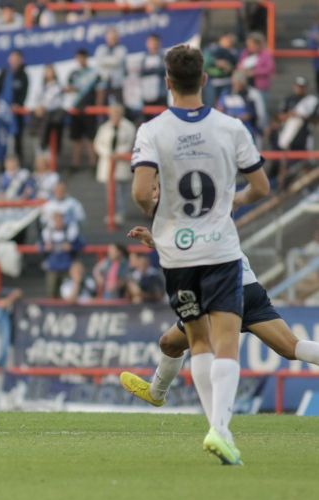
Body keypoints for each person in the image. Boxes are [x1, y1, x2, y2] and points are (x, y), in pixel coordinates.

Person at [130, 44, 270, 465]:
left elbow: (141, 192)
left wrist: (161, 215)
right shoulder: (231, 128)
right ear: (205, 80)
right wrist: (233, 202)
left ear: (168, 83)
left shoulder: (152, 131)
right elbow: (261, 188)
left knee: (198, 341)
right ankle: (220, 430)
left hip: (177, 255)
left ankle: (216, 428)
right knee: (228, 341)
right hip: (221, 249)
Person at [122, 229, 319, 416]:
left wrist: (156, 241)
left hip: (223, 293)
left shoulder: (195, 213)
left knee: (184, 344)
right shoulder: (214, 212)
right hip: (250, 289)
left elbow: (190, 247)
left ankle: (212, 419)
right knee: (290, 347)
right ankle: (158, 394)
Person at [93, 104, 136, 225]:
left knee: (121, 190)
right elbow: (98, 144)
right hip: (107, 162)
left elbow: (130, 143)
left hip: (122, 162)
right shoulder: (105, 127)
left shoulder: (128, 127)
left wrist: (118, 154)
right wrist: (108, 154)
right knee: (109, 190)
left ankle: (120, 213)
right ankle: (111, 212)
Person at [0, 50, 29, 163]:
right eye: (12, 59)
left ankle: (20, 163)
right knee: (3, 139)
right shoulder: (3, 73)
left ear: (21, 60)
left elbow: (24, 93)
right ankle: (2, 164)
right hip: (3, 113)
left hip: (16, 113)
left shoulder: (24, 76)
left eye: (16, 59)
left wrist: (18, 104)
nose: (13, 61)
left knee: (17, 139)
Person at [65, 49, 99, 170]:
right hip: (76, 108)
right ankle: (75, 164)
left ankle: (93, 164)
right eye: (78, 57)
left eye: (82, 57)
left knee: (91, 138)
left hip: (89, 109)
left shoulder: (94, 73)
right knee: (76, 138)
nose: (80, 60)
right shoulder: (73, 73)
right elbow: (68, 88)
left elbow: (99, 90)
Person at [216, 70, 267, 145]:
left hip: (247, 132)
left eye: (237, 83)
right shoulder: (226, 93)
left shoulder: (252, 94)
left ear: (243, 83)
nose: (234, 85)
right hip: (228, 132)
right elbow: (219, 109)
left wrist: (236, 118)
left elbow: (259, 114)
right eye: (233, 82)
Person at [41, 212, 80, 299]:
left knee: (66, 293)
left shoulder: (70, 232)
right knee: (51, 293)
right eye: (56, 219)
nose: (58, 222)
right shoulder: (47, 233)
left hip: (67, 267)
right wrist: (45, 248)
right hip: (53, 267)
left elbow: (80, 244)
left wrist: (72, 247)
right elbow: (39, 246)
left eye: (60, 219)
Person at [33, 65, 65, 155]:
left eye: (50, 71)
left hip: (53, 114)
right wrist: (38, 107)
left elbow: (51, 99)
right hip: (41, 114)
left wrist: (43, 107)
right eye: (46, 71)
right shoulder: (41, 86)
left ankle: (44, 146)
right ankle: (39, 144)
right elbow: (36, 99)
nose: (48, 74)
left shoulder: (57, 86)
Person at [203, 33, 238, 106]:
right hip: (213, 81)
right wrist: (216, 62)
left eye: (230, 41)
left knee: (225, 105)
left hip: (227, 82)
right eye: (227, 40)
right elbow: (204, 62)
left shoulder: (233, 52)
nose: (229, 42)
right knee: (210, 104)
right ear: (221, 39)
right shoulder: (211, 49)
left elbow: (236, 65)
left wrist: (229, 67)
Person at [94, 28, 127, 106]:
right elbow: (99, 61)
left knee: (119, 106)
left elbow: (117, 61)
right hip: (103, 83)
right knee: (101, 106)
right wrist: (112, 60)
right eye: (110, 38)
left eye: (114, 38)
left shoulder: (122, 49)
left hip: (117, 84)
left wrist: (105, 61)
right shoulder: (100, 49)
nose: (112, 40)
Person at [237, 32, 275, 96]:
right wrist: (241, 68)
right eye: (248, 45)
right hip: (245, 85)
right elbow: (240, 65)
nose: (249, 47)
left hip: (260, 86)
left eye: (251, 45)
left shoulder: (266, 54)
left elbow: (269, 69)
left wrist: (254, 72)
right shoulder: (245, 53)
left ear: (258, 44)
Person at [139, 33, 167, 111]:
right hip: (146, 95)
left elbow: (162, 70)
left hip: (160, 95)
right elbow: (141, 72)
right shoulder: (144, 57)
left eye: (154, 43)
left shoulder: (163, 57)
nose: (152, 45)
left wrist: (149, 70)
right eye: (150, 43)